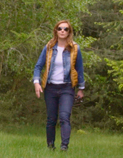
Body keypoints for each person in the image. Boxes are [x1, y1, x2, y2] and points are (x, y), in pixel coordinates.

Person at [32, 20, 85, 151]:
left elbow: (79, 69)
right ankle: (50, 147)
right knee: (51, 119)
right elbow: (38, 66)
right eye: (60, 28)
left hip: (67, 87)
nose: (62, 31)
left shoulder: (75, 48)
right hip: (50, 87)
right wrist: (36, 82)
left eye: (65, 29)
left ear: (69, 32)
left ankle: (64, 147)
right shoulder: (49, 47)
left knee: (64, 117)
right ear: (56, 31)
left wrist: (81, 89)